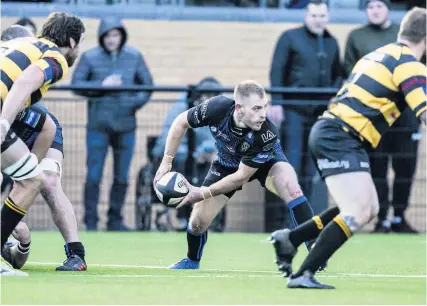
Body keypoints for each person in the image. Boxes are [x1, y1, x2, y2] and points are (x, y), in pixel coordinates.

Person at [270, 7, 426, 289]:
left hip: (339, 134)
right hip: (338, 136)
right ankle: (304, 274)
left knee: (368, 207)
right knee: (357, 211)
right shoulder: (410, 64)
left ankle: (290, 239)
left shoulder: (379, 53)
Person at [153, 80, 318, 270]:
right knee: (198, 222)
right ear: (239, 108)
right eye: (256, 108)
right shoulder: (216, 108)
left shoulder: (267, 132)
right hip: (226, 164)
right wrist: (166, 162)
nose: (263, 114)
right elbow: (181, 122)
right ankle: (191, 261)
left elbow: (241, 176)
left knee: (292, 188)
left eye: (265, 107)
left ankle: (316, 249)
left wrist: (202, 192)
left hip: (266, 162)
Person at [0, 12, 85, 276]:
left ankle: (75, 252)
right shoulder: (56, 56)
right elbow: (26, 82)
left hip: (34, 131)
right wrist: (3, 124)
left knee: (40, 180)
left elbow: (46, 126)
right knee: (32, 180)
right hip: (6, 120)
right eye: (79, 43)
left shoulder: (18, 48)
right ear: (71, 41)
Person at [344, 0, 421, 233]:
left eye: (379, 6)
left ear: (387, 8)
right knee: (377, 169)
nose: (374, 11)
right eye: (370, 7)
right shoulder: (357, 37)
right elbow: (350, 72)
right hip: (376, 118)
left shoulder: (406, 36)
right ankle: (381, 219)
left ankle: (399, 216)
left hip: (406, 117)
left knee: (405, 169)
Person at [72, 17, 153, 231]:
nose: (111, 39)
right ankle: (90, 222)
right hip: (98, 126)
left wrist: (132, 104)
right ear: (101, 37)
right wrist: (101, 85)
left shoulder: (134, 56)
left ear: (122, 36)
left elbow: (148, 85)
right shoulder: (90, 57)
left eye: (115, 35)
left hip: (126, 126)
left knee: (122, 176)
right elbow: (76, 84)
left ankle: (115, 220)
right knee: (93, 175)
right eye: (107, 35)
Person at [270, 0, 342, 204]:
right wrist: (276, 102)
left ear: (327, 17)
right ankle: (290, 215)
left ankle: (310, 215)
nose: (318, 20)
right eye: (314, 16)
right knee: (292, 162)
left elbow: (338, 74)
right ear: (306, 16)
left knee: (314, 164)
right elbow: (277, 70)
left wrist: (333, 97)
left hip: (320, 113)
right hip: (294, 109)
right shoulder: (289, 37)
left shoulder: (332, 42)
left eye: (322, 16)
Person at [2, 103, 87, 272]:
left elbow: (48, 127)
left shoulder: (19, 106)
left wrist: (28, 170)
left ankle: (76, 254)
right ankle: (12, 242)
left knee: (50, 182)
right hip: (8, 137)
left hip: (40, 132)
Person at [152, 77, 219, 230]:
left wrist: (205, 152)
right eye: (206, 96)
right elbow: (168, 141)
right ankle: (182, 216)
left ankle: (202, 214)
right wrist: (195, 156)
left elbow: (215, 138)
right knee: (183, 168)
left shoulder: (218, 111)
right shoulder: (181, 108)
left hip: (200, 158)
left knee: (212, 166)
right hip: (179, 157)